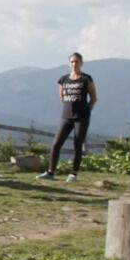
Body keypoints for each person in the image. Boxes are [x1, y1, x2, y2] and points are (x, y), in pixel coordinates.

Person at [39, 52, 96, 181]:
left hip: (82, 117)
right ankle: (50, 172)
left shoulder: (86, 79)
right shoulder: (63, 79)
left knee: (77, 144)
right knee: (56, 144)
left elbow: (94, 98)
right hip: (66, 116)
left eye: (77, 61)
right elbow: (62, 97)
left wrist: (88, 110)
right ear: (69, 63)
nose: (74, 64)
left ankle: (73, 173)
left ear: (81, 63)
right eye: (72, 61)